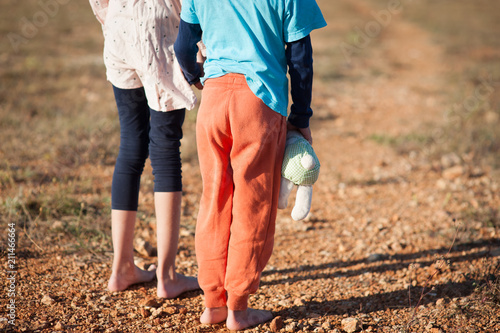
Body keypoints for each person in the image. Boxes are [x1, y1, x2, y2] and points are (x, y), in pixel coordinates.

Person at [174, 0, 326, 329]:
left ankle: (213, 303)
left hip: (213, 102)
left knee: (214, 198)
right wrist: (301, 116)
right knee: (253, 204)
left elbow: (184, 45)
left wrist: (196, 77)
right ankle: (238, 309)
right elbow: (300, 58)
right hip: (259, 102)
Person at [89, 0, 200, 298]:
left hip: (118, 26)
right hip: (160, 28)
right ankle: (167, 277)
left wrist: (111, 19)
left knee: (131, 143)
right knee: (165, 150)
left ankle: (122, 268)